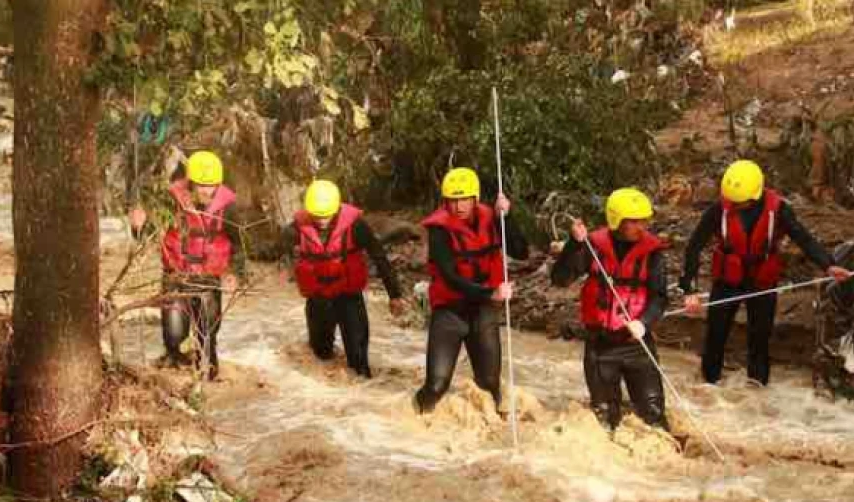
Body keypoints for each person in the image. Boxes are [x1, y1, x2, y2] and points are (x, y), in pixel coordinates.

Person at [680, 159, 851, 386]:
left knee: (759, 340)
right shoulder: (719, 209)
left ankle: (757, 387)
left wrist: (828, 265)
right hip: (727, 281)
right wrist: (689, 289)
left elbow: (804, 238)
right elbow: (694, 247)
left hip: (762, 281)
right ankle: (709, 384)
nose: (735, 205)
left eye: (740, 202)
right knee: (715, 336)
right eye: (732, 201)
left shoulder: (779, 209)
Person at [551, 188, 670, 432]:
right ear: (617, 221)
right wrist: (574, 245)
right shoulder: (593, 246)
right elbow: (560, 279)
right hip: (600, 346)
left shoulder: (653, 253)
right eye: (634, 221)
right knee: (605, 421)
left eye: (644, 220)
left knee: (654, 417)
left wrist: (644, 322)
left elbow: (659, 298)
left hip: (637, 344)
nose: (641, 226)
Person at [413, 167, 529, 414]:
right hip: (450, 313)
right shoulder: (439, 230)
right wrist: (491, 294)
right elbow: (450, 277)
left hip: (482, 313)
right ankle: (417, 418)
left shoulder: (492, 217)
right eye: (453, 200)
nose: (459, 206)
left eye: (464, 199)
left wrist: (506, 218)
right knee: (436, 385)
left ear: (475, 199)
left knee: (489, 386)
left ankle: (490, 432)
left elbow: (521, 251)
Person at [130, 150, 244, 381]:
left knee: (208, 333)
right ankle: (173, 356)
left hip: (209, 279)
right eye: (201, 185)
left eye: (211, 185)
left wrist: (235, 272)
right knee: (173, 335)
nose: (206, 190)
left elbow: (238, 244)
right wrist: (138, 227)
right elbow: (150, 234)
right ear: (190, 183)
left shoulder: (229, 208)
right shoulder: (171, 201)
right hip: (176, 276)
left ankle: (206, 372)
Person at [281, 179, 408, 378]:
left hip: (348, 298)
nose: (322, 220)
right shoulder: (296, 228)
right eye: (317, 216)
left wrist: (395, 295)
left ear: (337, 208)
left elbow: (379, 256)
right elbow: (278, 251)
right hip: (318, 301)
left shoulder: (356, 226)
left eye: (326, 215)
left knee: (359, 365)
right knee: (320, 360)